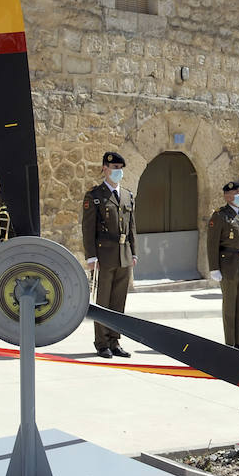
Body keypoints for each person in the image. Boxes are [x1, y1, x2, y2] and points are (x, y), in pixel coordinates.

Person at [82, 151, 137, 359]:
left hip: (123, 254)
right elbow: (88, 229)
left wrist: (134, 252)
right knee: (103, 301)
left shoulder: (127, 196)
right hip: (104, 256)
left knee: (118, 302)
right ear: (105, 168)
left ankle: (115, 341)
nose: (118, 172)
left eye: (120, 169)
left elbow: (132, 226)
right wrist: (91, 257)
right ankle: (102, 343)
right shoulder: (95, 196)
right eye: (114, 168)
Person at [206, 181, 239, 352]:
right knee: (230, 304)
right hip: (228, 264)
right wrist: (214, 268)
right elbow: (212, 243)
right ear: (227, 196)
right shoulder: (220, 216)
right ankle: (230, 343)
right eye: (236, 192)